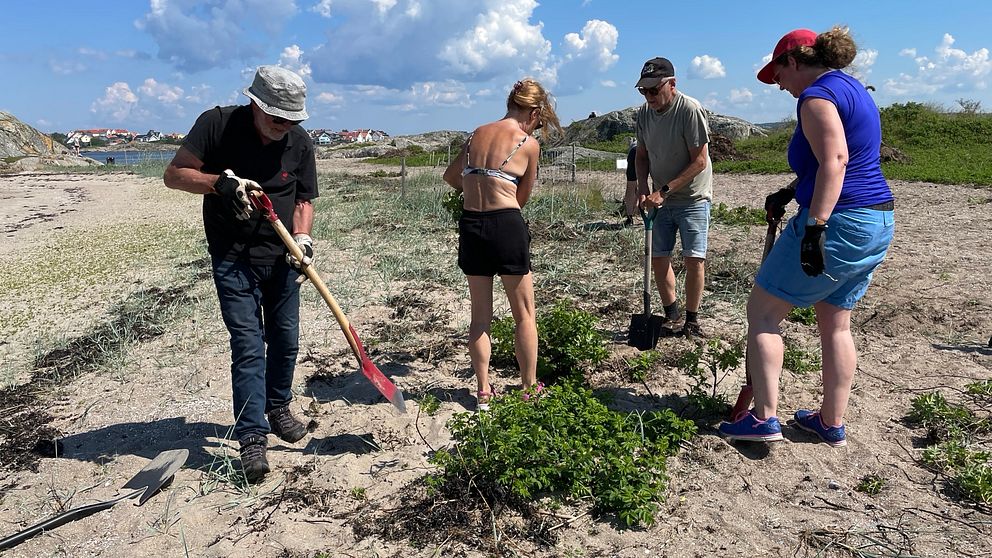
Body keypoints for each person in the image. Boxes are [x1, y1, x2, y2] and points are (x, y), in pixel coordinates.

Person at [719, 27, 895, 447]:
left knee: (762, 312)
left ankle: (763, 419)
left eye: (778, 75)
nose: (779, 85)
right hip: (877, 222)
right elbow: (832, 162)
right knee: (835, 323)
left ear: (793, 61)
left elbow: (836, 160)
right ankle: (830, 422)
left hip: (839, 221)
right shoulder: (852, 89)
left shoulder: (815, 98)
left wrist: (814, 228)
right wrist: (791, 190)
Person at [163, 65, 318, 482]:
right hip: (232, 256)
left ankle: (279, 405)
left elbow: (303, 200)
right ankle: (252, 436)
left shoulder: (299, 143)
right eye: (276, 119)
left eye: (292, 120)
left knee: (285, 339)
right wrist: (220, 184)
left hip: (283, 257)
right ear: (255, 104)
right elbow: (174, 175)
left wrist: (302, 239)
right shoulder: (216, 125)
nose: (283, 127)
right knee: (249, 344)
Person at [442, 78, 563, 411]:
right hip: (505, 225)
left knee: (480, 317)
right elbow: (521, 198)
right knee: (524, 315)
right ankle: (529, 388)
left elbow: (451, 178)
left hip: (471, 226)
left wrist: (476, 188)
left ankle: (483, 390)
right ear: (534, 111)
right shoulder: (527, 142)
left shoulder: (476, 134)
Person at [633, 57, 713, 337]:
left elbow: (700, 161)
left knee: (694, 260)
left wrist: (663, 191)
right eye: (644, 91)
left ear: (672, 84)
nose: (649, 96)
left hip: (692, 198)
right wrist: (642, 187)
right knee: (658, 257)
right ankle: (672, 314)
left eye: (654, 90)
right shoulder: (643, 115)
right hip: (658, 199)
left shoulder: (689, 110)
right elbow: (641, 156)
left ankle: (692, 321)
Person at [622, 137, 639, 226]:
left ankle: (629, 218)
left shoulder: (633, 144)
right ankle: (655, 215)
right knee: (656, 182)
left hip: (634, 151)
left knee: (631, 186)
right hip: (650, 149)